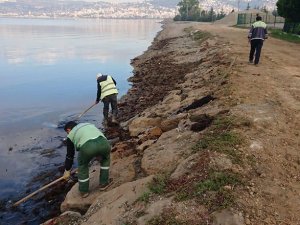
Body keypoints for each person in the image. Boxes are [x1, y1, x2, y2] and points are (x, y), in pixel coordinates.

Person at [63, 121, 112, 198]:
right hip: (104, 143)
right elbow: (97, 137)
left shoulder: (71, 135)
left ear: (68, 130)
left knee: (82, 166)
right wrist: (98, 153)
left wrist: (67, 170)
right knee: (105, 159)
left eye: (67, 132)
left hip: (87, 148)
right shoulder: (88, 124)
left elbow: (70, 155)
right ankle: (104, 183)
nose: (68, 134)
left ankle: (84, 191)